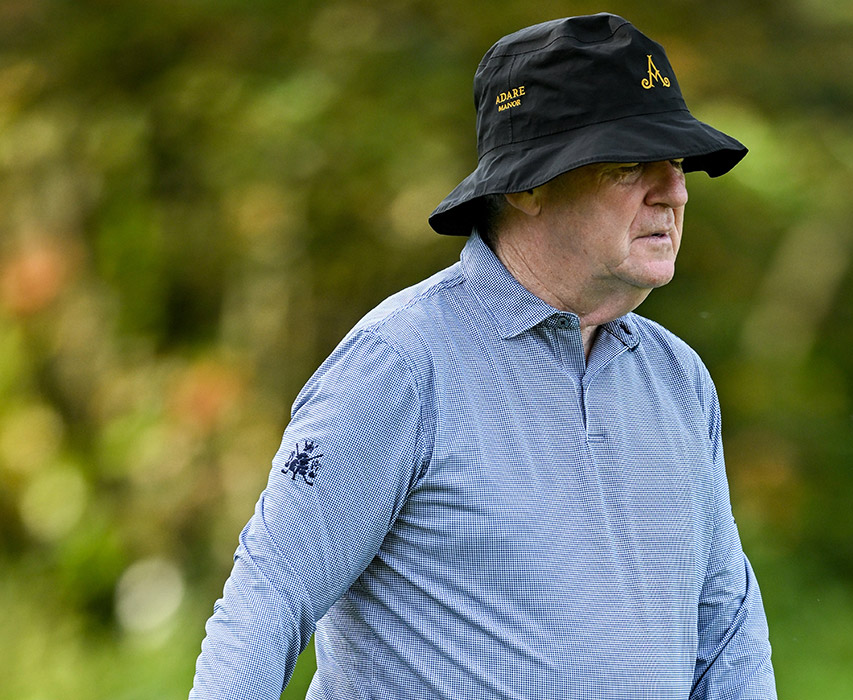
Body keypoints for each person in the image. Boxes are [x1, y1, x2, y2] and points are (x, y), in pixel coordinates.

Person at [190, 12, 776, 700]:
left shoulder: (679, 379)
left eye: (674, 163)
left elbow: (727, 634)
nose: (674, 191)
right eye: (628, 166)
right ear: (526, 186)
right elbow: (270, 596)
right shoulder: (400, 365)